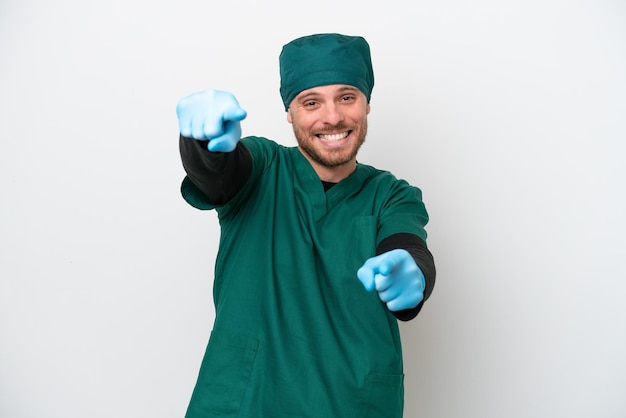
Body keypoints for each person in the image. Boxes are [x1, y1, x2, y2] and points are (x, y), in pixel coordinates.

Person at [176, 33, 436, 418]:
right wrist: (200, 142)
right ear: (289, 112)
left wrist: (412, 271)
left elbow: (407, 243)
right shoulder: (264, 168)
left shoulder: (391, 194)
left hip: (351, 404)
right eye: (311, 102)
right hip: (250, 402)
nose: (332, 117)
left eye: (346, 97)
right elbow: (218, 174)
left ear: (366, 103)